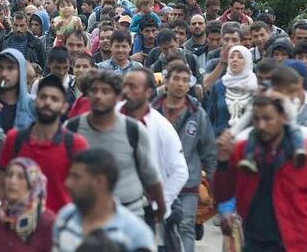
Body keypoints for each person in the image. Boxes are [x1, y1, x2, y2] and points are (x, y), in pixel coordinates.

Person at [214, 93, 307, 252]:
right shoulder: (242, 151)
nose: (261, 125)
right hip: (255, 240)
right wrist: (223, 161)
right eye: (257, 119)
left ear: (283, 117)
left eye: (268, 118)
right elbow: (222, 194)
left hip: (298, 242)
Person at [64, 70, 166, 220]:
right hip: (84, 215)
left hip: (129, 214)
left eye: (105, 91)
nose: (98, 96)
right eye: (94, 90)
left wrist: (161, 209)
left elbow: (150, 174)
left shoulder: (133, 130)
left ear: (117, 97)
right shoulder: (72, 128)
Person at [0, 75, 88, 213]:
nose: (47, 102)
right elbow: (0, 183)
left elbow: (83, 192)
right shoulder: (15, 138)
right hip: (18, 223)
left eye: (54, 99)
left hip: (58, 226)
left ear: (64, 107)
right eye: (43, 97)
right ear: (35, 101)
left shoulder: (75, 144)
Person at [151, 62, 217, 252]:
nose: (180, 84)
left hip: (189, 181)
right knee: (161, 228)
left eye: (185, 80)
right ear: (166, 81)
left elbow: (209, 151)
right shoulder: (152, 111)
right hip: (158, 181)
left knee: (186, 225)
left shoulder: (197, 114)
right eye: (176, 79)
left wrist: (213, 185)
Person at [119, 68, 189, 227]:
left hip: (144, 207)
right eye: (125, 85)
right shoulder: (111, 116)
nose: (126, 91)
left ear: (149, 92)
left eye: (133, 87)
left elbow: (180, 171)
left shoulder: (162, 126)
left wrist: (159, 203)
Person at [53, 149, 156, 252]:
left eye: (77, 177)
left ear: (99, 182)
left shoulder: (136, 234)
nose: (68, 183)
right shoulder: (66, 217)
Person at [0, 158, 55, 252]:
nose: (12, 181)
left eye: (21, 177)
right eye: (9, 175)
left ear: (33, 184)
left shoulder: (47, 223)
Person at [206, 46, 257, 136]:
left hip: (247, 142)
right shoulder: (219, 86)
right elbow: (210, 118)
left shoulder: (256, 86)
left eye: (240, 57)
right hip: (220, 142)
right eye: (231, 57)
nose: (235, 60)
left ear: (248, 61)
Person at [0, 48, 36, 132]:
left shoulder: (32, 105)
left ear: (21, 71)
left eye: (10, 68)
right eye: (0, 68)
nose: (4, 74)